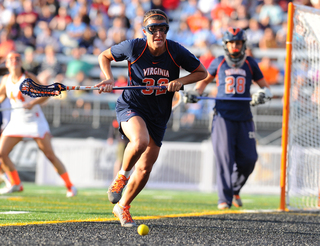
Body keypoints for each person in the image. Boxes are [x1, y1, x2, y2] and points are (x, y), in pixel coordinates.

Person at [95, 9, 207, 227]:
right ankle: (121, 177)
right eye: (153, 29)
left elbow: (201, 72)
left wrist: (181, 82)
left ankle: (123, 206)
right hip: (132, 106)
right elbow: (104, 56)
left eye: (163, 29)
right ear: (145, 31)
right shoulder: (134, 46)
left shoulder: (175, 50)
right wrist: (108, 78)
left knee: (146, 168)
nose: (158, 34)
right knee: (140, 141)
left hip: (159, 114)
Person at [185, 28, 272, 210]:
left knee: (249, 159)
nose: (234, 46)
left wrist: (262, 94)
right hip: (223, 117)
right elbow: (204, 81)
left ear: (243, 44)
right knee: (225, 158)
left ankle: (234, 190)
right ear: (226, 45)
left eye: (238, 42)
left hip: (244, 117)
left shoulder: (250, 63)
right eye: (231, 42)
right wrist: (195, 92)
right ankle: (224, 199)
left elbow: (266, 88)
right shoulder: (219, 62)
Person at [0, 52, 77, 197]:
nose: (15, 61)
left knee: (50, 155)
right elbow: (2, 96)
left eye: (17, 58)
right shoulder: (6, 80)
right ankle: (16, 184)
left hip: (34, 120)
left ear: (21, 62)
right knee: (1, 153)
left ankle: (70, 186)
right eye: (11, 59)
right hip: (17, 121)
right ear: (7, 63)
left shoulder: (28, 77)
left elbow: (46, 93)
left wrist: (32, 103)